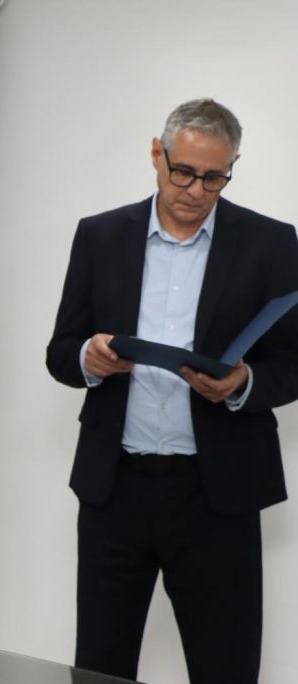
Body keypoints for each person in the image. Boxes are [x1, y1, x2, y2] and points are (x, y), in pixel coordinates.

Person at [46, 98, 298, 684]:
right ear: (156, 154)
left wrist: (244, 383)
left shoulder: (271, 242)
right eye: (183, 171)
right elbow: (61, 352)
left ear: (232, 167)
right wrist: (89, 358)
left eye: (214, 177)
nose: (195, 190)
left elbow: (293, 360)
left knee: (226, 669)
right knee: (100, 669)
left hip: (217, 497)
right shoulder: (100, 235)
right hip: (115, 493)